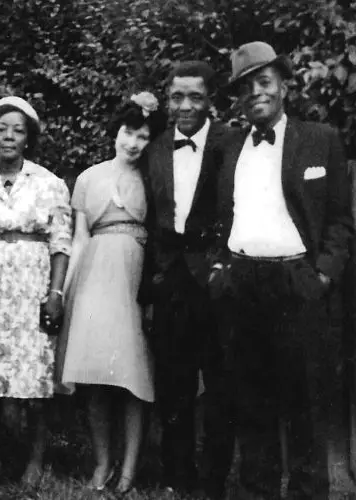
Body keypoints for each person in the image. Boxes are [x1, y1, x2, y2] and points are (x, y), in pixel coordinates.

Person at [208, 41, 353, 499]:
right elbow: (215, 216)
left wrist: (323, 275)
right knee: (251, 402)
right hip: (242, 283)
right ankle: (258, 491)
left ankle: (309, 494)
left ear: (284, 87)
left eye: (264, 83)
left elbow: (341, 220)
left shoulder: (320, 139)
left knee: (306, 404)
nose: (256, 93)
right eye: (246, 88)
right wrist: (218, 269)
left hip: (298, 283)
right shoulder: (229, 146)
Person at [0, 96, 72, 486]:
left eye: (18, 130)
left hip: (32, 285)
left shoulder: (49, 182)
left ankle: (34, 462)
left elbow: (60, 242)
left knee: (35, 374)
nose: (9, 136)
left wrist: (55, 293)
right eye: (2, 128)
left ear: (28, 138)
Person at [55, 92, 167, 494]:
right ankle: (102, 463)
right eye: (128, 133)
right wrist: (66, 291)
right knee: (95, 375)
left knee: (134, 374)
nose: (134, 143)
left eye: (143, 136)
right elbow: (80, 237)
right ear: (115, 133)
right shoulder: (89, 178)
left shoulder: (156, 177)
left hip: (135, 271)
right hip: (95, 274)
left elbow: (159, 234)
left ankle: (130, 469)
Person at [142, 61, 232, 498]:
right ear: (166, 97)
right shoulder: (155, 148)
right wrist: (152, 286)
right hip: (171, 279)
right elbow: (148, 220)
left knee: (219, 383)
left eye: (196, 96)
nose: (185, 106)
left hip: (216, 276)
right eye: (177, 96)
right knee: (174, 385)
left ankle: (214, 479)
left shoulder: (230, 143)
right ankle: (177, 475)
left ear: (210, 99)